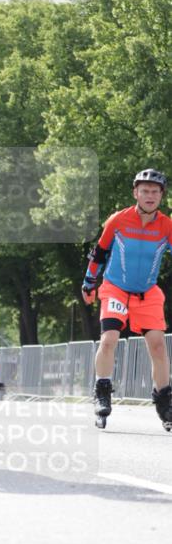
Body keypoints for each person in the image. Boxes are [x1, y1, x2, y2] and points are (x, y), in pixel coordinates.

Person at [82, 168, 172, 430]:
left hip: (148, 292)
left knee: (157, 345)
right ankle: (102, 391)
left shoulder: (166, 226)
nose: (150, 196)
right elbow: (99, 253)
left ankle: (165, 402)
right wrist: (89, 283)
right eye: (145, 191)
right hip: (115, 288)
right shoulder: (118, 220)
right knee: (109, 339)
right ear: (136, 193)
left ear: (161, 196)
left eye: (155, 192)